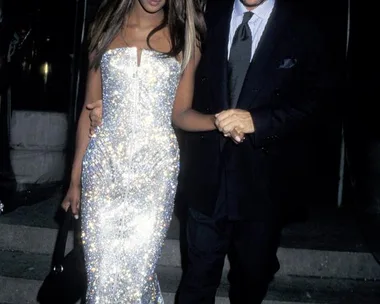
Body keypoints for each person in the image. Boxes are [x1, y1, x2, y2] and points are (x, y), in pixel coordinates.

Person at [87, 0, 335, 303]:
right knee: (195, 283)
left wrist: (259, 121)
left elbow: (319, 104)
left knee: (251, 281)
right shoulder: (205, 20)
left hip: (264, 184)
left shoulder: (304, 27)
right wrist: (114, 105)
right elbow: (174, 92)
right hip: (205, 179)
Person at [60, 0, 218, 302]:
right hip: (104, 164)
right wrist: (75, 179)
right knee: (101, 273)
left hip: (156, 169)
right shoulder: (105, 30)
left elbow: (181, 113)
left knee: (137, 272)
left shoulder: (187, 37)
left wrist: (217, 121)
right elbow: (88, 109)